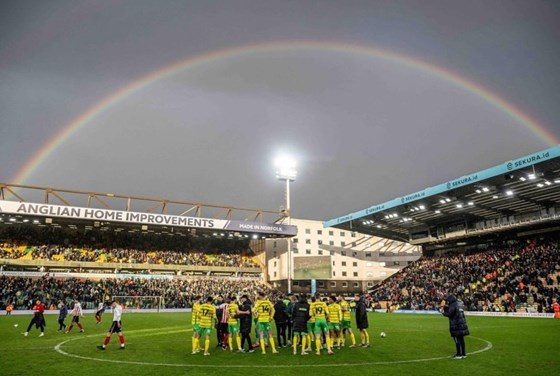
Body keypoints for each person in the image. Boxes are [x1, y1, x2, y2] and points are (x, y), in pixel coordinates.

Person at [441, 294, 470, 359]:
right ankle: (463, 354)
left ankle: (458, 354)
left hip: (456, 325)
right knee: (462, 339)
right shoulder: (459, 305)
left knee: (457, 339)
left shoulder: (453, 305)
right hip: (462, 324)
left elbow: (449, 314)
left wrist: (442, 312)